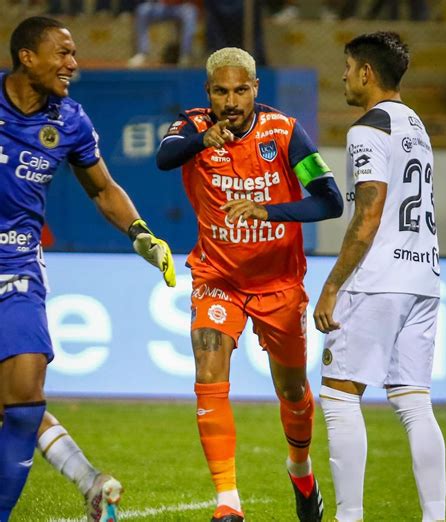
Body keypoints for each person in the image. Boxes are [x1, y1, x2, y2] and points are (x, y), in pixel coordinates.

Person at [0, 16, 176, 521]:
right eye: (62, 53)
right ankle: (87, 479)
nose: (72, 64)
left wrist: (141, 233)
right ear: (26, 56)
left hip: (17, 268)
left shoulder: (70, 120)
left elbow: (101, 188)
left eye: (74, 53)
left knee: (26, 399)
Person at [157, 47, 343, 522]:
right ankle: (228, 503)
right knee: (208, 368)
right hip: (218, 278)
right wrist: (202, 142)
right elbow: (164, 157)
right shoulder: (193, 126)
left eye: (241, 89)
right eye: (222, 91)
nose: (232, 100)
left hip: (278, 283)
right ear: (209, 93)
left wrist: (269, 211)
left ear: (256, 89)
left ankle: (300, 470)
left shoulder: (283, 133)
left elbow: (330, 201)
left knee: (294, 391)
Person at [313, 31, 446, 522]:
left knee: (339, 396)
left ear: (366, 72)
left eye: (348, 67)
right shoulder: (416, 125)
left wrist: (331, 286)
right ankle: (436, 516)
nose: (344, 76)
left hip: (378, 279)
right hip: (423, 276)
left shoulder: (367, 129)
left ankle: (349, 517)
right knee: (414, 402)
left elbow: (368, 214)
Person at [128, 0, 199, 68]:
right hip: (161, 6)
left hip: (180, 6)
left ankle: (185, 55)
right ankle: (142, 53)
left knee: (191, 12)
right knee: (142, 11)